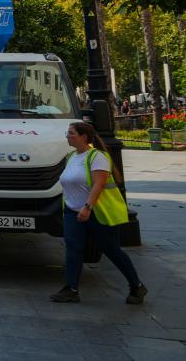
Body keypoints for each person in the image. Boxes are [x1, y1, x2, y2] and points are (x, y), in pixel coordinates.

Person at [51, 121, 146, 305]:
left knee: (111, 250)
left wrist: (88, 207)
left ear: (83, 136)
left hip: (97, 211)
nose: (67, 136)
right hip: (72, 211)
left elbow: (99, 184)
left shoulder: (97, 157)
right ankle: (71, 289)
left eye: (71, 133)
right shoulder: (71, 157)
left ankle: (137, 285)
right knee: (73, 248)